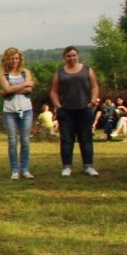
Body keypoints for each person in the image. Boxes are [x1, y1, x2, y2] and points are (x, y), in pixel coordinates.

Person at [49, 46, 100, 177]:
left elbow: (94, 86)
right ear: (64, 58)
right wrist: (58, 105)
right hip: (66, 111)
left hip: (85, 109)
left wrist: (93, 101)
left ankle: (88, 166)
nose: (71, 58)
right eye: (68, 56)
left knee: (86, 139)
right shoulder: (60, 72)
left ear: (78, 56)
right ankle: (67, 167)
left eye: (73, 55)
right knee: (66, 139)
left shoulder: (87, 70)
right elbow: (54, 91)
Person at [0, 47, 35, 179]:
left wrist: (11, 90)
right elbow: (6, 89)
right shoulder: (3, 74)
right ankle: (15, 169)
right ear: (7, 59)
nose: (14, 61)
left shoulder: (26, 72)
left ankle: (25, 169)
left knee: (25, 141)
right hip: (10, 111)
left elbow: (29, 89)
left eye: (17, 58)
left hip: (26, 110)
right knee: (12, 141)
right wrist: (23, 86)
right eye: (12, 58)